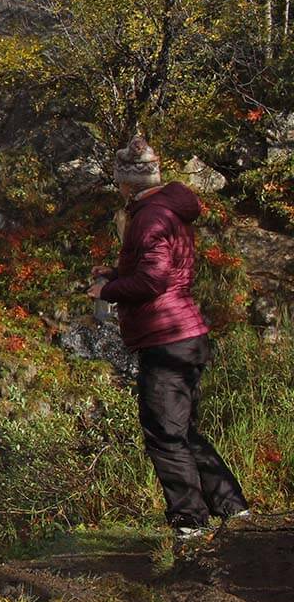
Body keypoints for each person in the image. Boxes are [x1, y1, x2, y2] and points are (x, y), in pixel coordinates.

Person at [87, 136, 249, 540]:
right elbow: (160, 270)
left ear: (129, 181)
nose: (118, 187)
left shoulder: (149, 216)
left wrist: (106, 292)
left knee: (163, 431)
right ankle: (232, 506)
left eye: (120, 180)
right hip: (185, 334)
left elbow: (153, 280)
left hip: (167, 337)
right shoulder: (168, 210)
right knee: (183, 429)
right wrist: (114, 274)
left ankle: (190, 521)